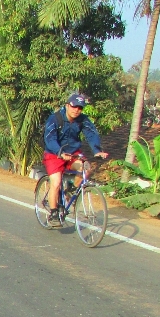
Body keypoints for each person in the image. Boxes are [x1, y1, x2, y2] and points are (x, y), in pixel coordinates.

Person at [42, 93, 108, 227]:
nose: (76, 110)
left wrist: (97, 150)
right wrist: (59, 152)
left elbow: (91, 134)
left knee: (86, 168)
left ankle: (71, 191)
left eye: (80, 108)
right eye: (74, 106)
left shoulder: (83, 120)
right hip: (54, 154)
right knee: (56, 182)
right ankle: (53, 213)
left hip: (73, 153)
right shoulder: (55, 118)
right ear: (67, 105)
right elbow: (49, 138)